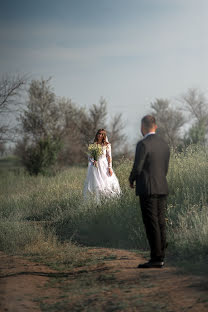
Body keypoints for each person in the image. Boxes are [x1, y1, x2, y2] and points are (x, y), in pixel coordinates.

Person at [129, 115, 170, 268]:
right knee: (160, 222)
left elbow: (138, 167)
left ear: (143, 127)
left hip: (147, 188)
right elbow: (164, 168)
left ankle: (156, 258)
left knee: (151, 222)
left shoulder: (143, 144)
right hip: (162, 186)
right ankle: (161, 256)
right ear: (156, 126)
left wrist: (131, 179)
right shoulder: (164, 144)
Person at [83, 129, 121, 202]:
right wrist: (94, 160)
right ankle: (96, 200)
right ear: (97, 134)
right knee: (96, 183)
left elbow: (109, 157)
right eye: (99, 134)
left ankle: (107, 199)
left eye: (101, 134)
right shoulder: (93, 144)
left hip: (104, 165)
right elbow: (89, 156)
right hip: (95, 166)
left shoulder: (107, 145)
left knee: (106, 181)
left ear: (104, 136)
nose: (100, 135)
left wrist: (109, 167)